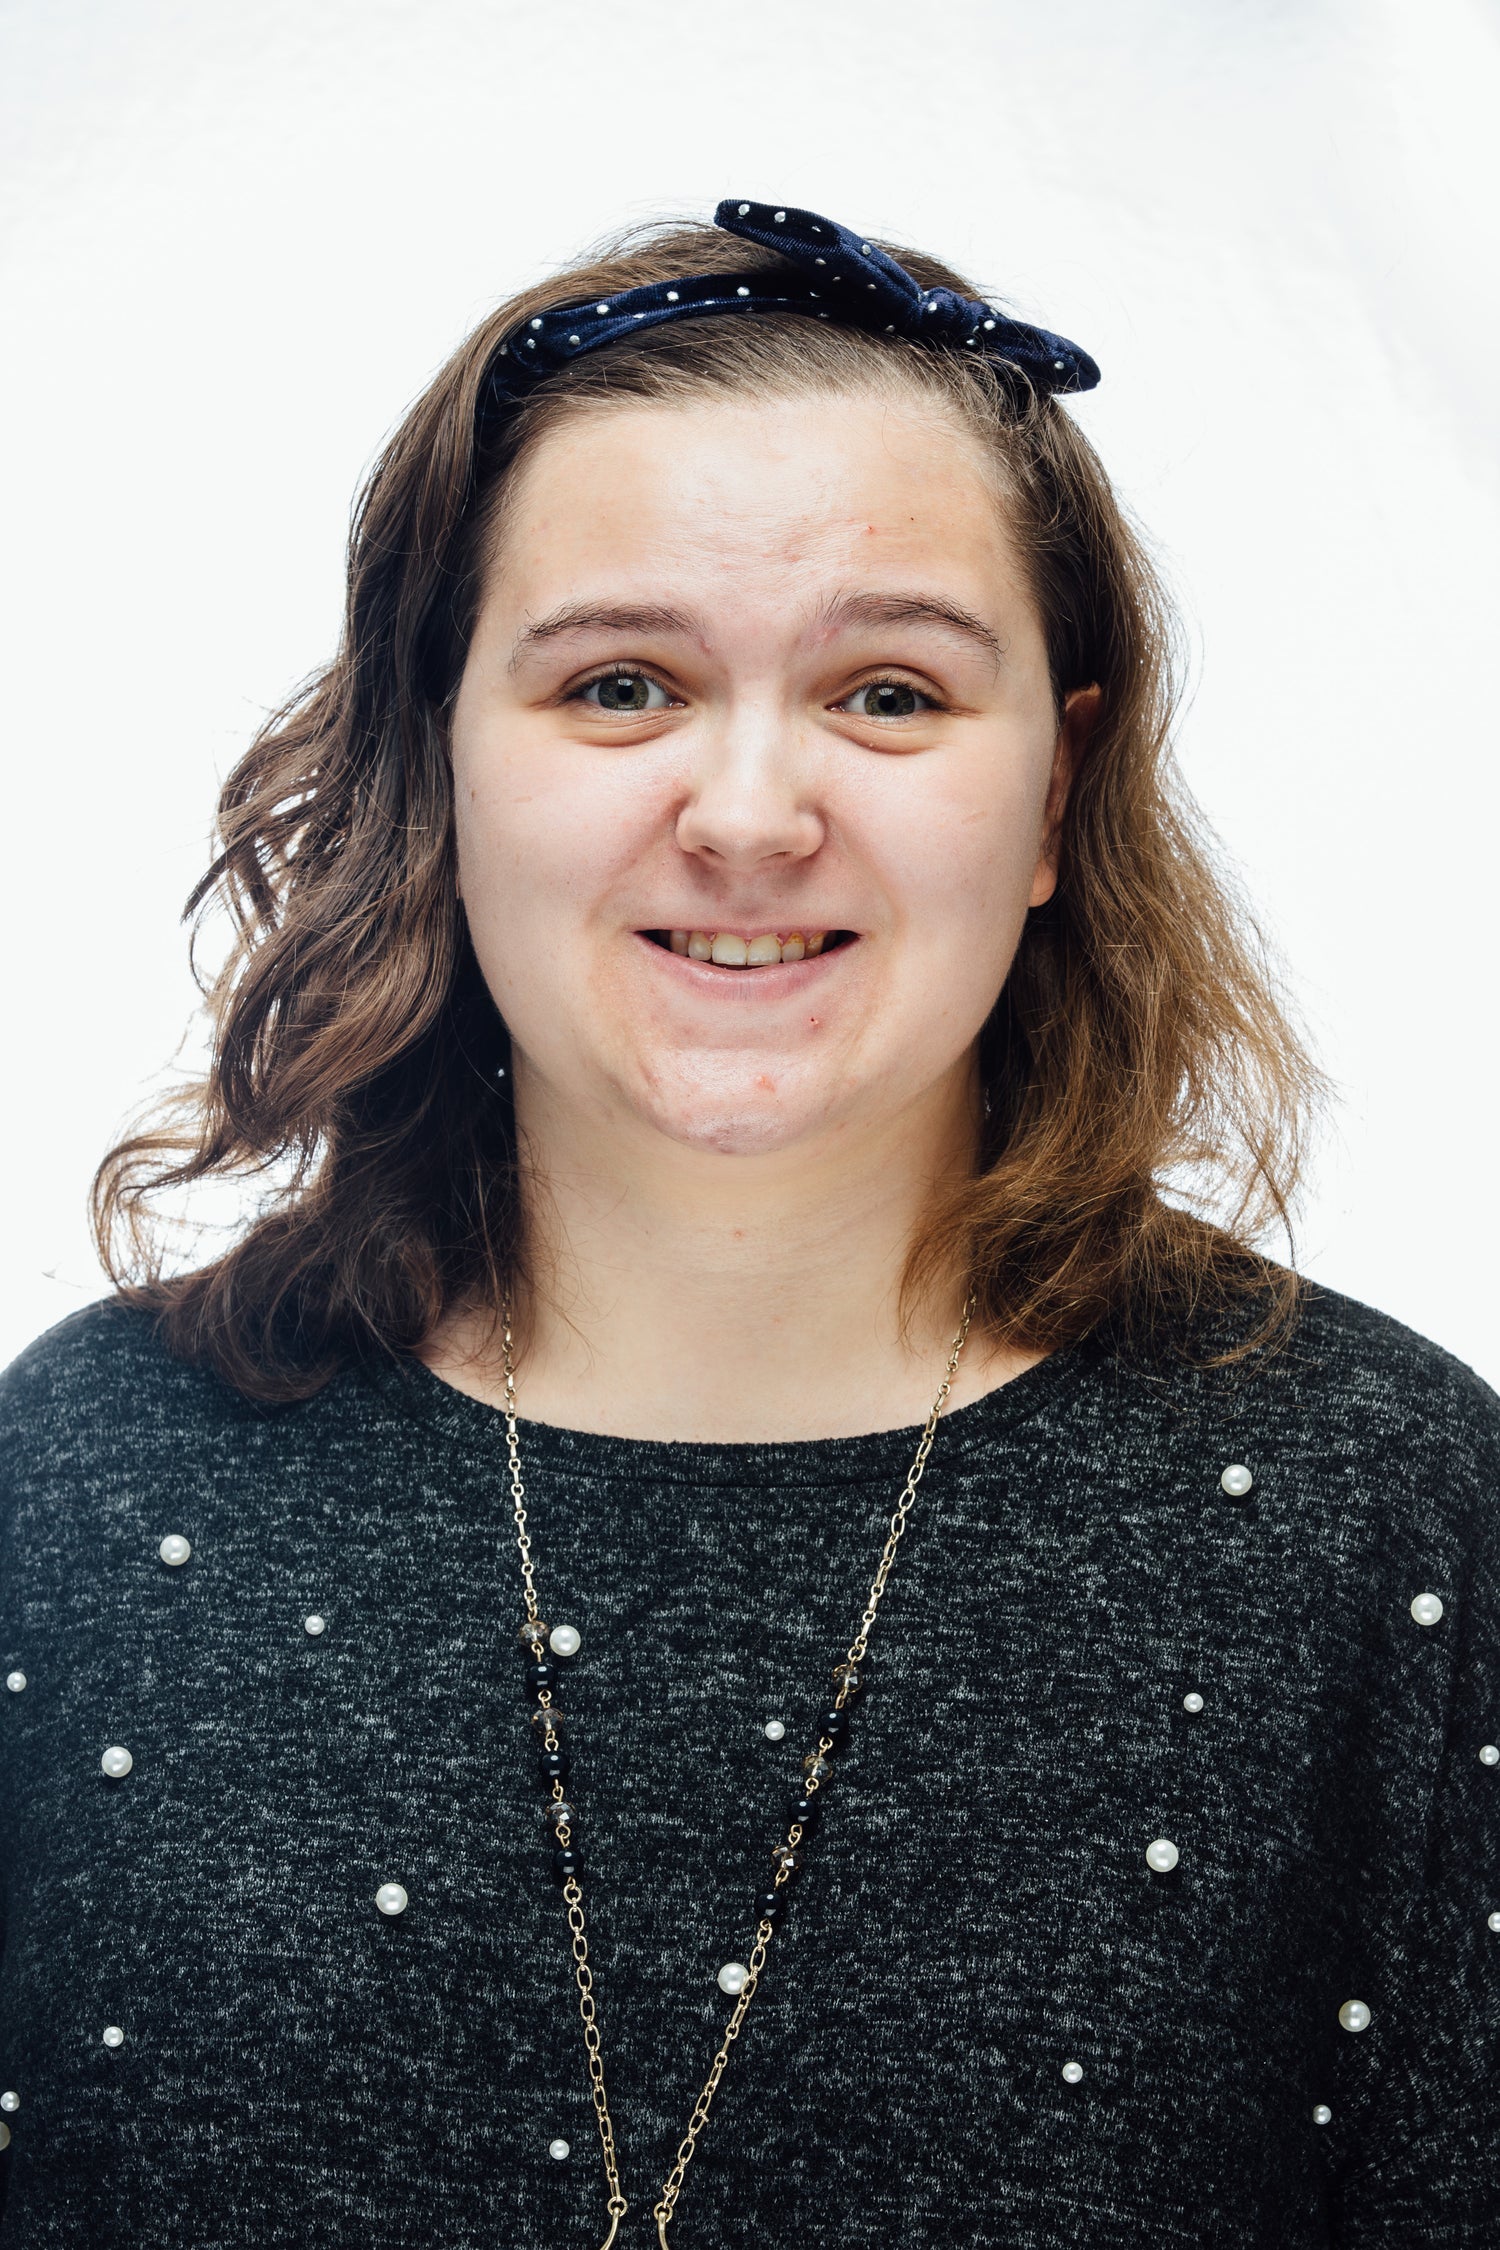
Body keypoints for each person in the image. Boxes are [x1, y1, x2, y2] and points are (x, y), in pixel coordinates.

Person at [0, 196, 1494, 2250]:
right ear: (439, 762)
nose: (750, 808)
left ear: (1054, 796)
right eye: (620, 686)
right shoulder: (77, 1493)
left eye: (890, 694)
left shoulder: (1382, 1514)